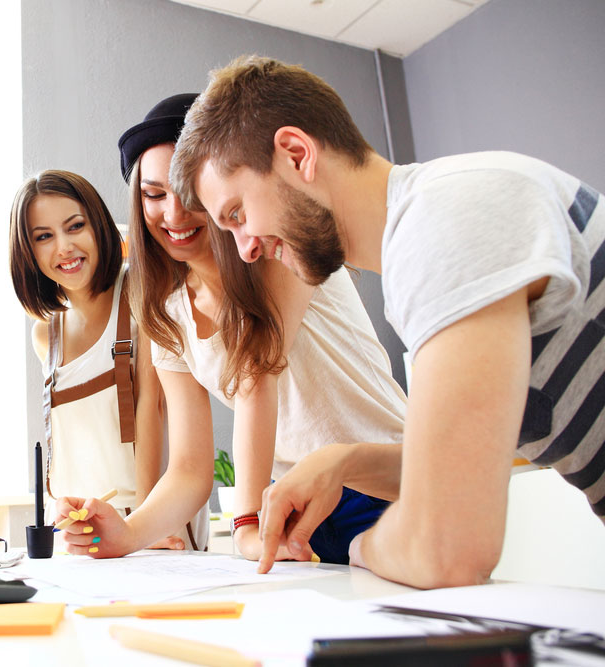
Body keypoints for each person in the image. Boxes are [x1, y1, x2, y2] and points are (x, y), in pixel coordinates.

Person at [169, 55, 605, 589]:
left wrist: (354, 547)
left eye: (237, 215)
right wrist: (345, 461)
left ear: (296, 154)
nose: (247, 249)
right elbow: (449, 473)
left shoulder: (444, 223)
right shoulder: (425, 236)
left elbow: (443, 549)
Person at [54, 94, 407, 564]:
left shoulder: (275, 246)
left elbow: (256, 374)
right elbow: (189, 468)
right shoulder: (168, 312)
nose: (174, 215)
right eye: (154, 194)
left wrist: (247, 524)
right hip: (297, 502)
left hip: (386, 482)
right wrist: (127, 533)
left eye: (190, 193)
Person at [9, 170, 207, 549]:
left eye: (75, 226)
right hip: (82, 533)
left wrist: (148, 529)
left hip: (151, 521)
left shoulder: (142, 292)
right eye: (44, 237)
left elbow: (153, 407)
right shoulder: (44, 336)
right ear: (28, 252)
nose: (64, 247)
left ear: (98, 226)